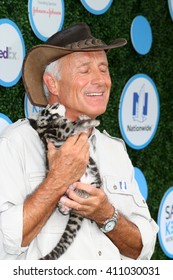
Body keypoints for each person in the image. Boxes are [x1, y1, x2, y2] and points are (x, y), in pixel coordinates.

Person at [0, 23, 158, 260]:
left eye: (103, 69)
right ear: (52, 83)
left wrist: (106, 215)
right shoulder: (16, 143)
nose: (101, 80)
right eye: (85, 70)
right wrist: (58, 180)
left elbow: (143, 249)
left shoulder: (114, 150)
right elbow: (4, 244)